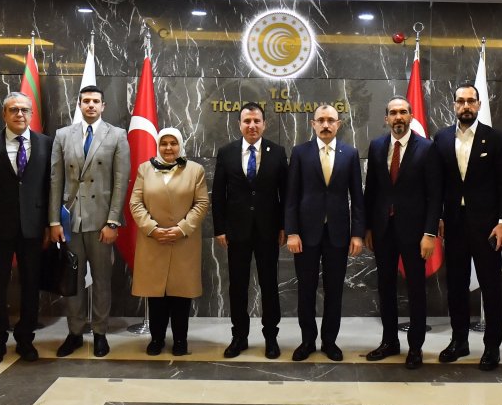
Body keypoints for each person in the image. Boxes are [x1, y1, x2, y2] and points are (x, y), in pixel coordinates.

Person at [431, 83, 502, 371]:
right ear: (454, 105)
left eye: (471, 101)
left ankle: (492, 346)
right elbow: (437, 184)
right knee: (456, 285)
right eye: (461, 101)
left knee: (491, 287)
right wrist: (437, 217)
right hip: (453, 225)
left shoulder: (496, 139)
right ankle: (459, 341)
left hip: (488, 227)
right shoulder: (441, 138)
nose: (466, 106)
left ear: (478, 105)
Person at [49, 85, 130, 358]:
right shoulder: (63, 135)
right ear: (79, 105)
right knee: (71, 280)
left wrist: (113, 222)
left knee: (102, 280)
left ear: (103, 106)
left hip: (101, 222)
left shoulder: (117, 135)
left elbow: (121, 182)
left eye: (96, 101)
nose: (91, 105)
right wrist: (53, 221)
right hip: (71, 221)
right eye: (86, 101)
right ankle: (74, 332)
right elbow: (55, 180)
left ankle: (99, 333)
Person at [363, 96, 441, 369]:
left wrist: (430, 233)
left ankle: (415, 347)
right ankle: (389, 342)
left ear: (411, 116)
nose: (398, 117)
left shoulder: (427, 148)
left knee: (416, 289)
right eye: (393, 113)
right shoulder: (377, 146)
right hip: (383, 230)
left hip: (415, 233)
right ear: (386, 118)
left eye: (403, 112)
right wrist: (368, 227)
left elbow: (435, 195)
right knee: (385, 287)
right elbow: (371, 190)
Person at [0, 92, 53, 365]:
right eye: (13, 110)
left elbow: (51, 187)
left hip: (34, 227)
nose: (19, 114)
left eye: (24, 110)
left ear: (31, 114)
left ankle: (25, 339)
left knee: (31, 285)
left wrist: (50, 224)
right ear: (4, 114)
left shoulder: (46, 143)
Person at [285, 104, 364, 362]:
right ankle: (307, 341)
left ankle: (330, 341)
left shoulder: (350, 154)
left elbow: (357, 198)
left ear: (338, 124)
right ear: (313, 124)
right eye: (321, 120)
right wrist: (292, 232)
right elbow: (291, 196)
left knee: (334, 290)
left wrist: (357, 234)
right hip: (305, 234)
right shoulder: (300, 152)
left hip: (339, 234)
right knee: (306, 289)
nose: (326, 124)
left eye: (331, 120)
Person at [212, 102, 287, 359]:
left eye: (256, 121)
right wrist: (220, 228)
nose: (252, 125)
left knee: (269, 286)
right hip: (236, 232)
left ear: (264, 124)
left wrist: (284, 226)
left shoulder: (277, 152)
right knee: (238, 286)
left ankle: (271, 337)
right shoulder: (227, 152)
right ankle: (239, 337)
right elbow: (218, 195)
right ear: (239, 124)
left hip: (269, 231)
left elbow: (285, 193)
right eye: (247, 121)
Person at [130, 128, 209, 356]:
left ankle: (180, 340)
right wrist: (152, 229)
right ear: (158, 145)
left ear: (180, 145)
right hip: (153, 241)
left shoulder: (195, 170)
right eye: (163, 143)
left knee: (180, 295)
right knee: (156, 295)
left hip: (183, 242)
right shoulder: (145, 169)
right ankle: (156, 339)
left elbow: (201, 203)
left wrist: (182, 229)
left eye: (173, 143)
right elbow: (135, 203)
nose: (168, 148)